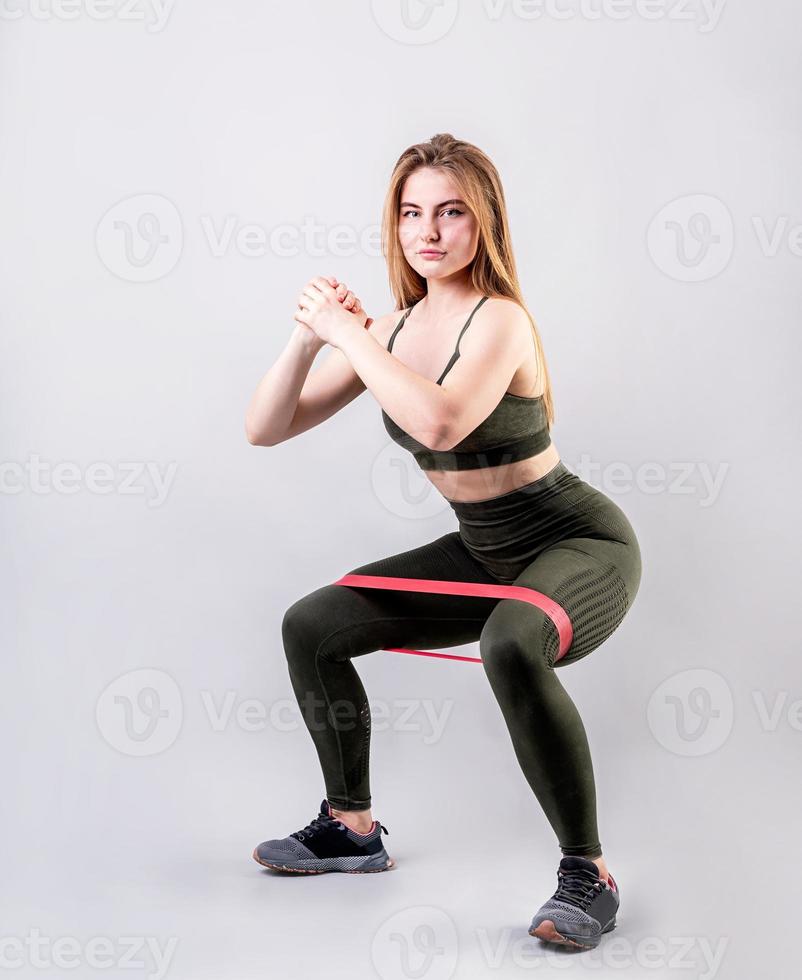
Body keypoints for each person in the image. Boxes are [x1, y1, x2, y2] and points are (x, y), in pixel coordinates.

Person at [245, 133, 642, 950]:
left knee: (510, 642)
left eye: (451, 212)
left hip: (578, 541)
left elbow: (441, 420)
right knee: (311, 625)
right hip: (485, 549)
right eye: (411, 212)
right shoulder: (388, 331)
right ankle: (351, 829)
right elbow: (265, 427)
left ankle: (587, 874)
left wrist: (348, 336)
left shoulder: (502, 320)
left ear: (484, 222)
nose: (428, 230)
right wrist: (307, 336)